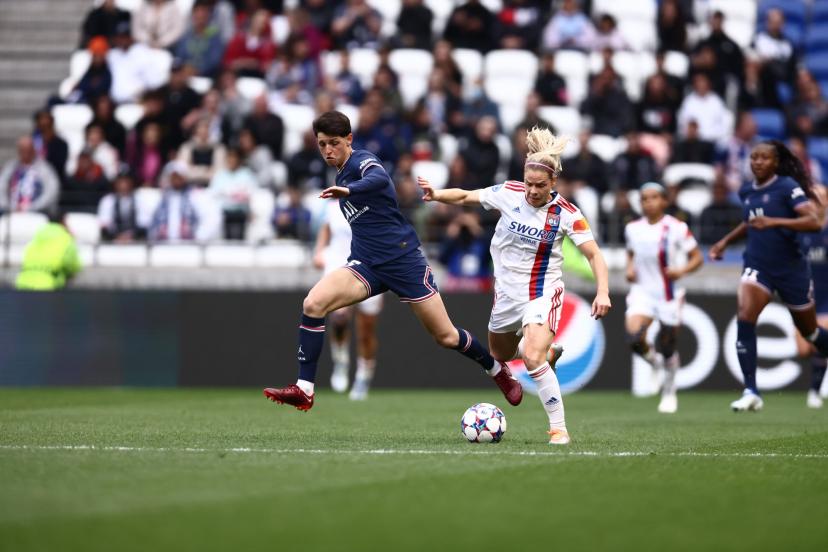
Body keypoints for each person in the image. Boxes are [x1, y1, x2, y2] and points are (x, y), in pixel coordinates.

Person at [263, 111, 519, 412]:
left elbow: (379, 177)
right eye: (322, 145)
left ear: (349, 140)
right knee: (313, 304)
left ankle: (496, 370)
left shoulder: (362, 162)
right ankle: (305, 389)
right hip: (367, 265)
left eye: (333, 143)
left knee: (446, 336)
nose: (328, 150)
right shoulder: (341, 173)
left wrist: (350, 190)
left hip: (403, 261)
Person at [418, 126, 612, 444]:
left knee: (531, 358)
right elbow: (467, 196)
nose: (533, 191)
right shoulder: (509, 192)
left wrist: (602, 291)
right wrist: (437, 195)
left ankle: (558, 428)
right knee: (502, 354)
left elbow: (594, 254)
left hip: (542, 291)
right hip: (506, 293)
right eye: (529, 184)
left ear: (553, 183)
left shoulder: (567, 214)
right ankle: (544, 354)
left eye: (540, 186)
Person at [709, 141, 828, 412]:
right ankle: (751, 390)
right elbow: (750, 221)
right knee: (745, 315)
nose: (758, 162)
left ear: (776, 162)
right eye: (754, 158)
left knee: (809, 334)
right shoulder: (747, 190)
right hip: (758, 264)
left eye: (764, 158)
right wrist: (725, 242)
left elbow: (814, 222)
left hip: (791, 269)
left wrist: (775, 222)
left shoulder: (787, 187)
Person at [624, 182, 703, 414]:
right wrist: (630, 268)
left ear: (664, 201)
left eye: (654, 198)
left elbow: (697, 257)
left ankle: (669, 392)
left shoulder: (677, 227)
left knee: (668, 347)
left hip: (669, 295)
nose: (648, 202)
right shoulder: (632, 228)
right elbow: (631, 252)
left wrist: (682, 271)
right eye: (644, 199)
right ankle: (654, 363)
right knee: (634, 337)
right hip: (642, 293)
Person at [312, 199, 384, 399]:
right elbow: (325, 229)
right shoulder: (333, 204)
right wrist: (318, 251)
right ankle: (341, 360)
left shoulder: (377, 200)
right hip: (338, 261)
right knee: (339, 318)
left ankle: (363, 375)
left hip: (370, 263)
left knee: (366, 331)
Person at [796, 184, 828, 408]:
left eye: (820, 198)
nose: (816, 202)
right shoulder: (800, 230)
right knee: (803, 349)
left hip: (827, 299)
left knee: (819, 344)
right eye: (812, 198)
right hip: (804, 299)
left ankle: (814, 393)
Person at [15, 211, 81, 291]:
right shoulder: (66, 239)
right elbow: (73, 266)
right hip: (46, 287)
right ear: (63, 221)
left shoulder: (38, 236)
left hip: (22, 283)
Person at [0, 136, 60, 215]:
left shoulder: (45, 169)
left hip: (37, 213)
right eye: (22, 150)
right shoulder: (11, 167)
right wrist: (8, 206)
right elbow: (1, 186)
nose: (25, 153)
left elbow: (51, 192)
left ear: (33, 150)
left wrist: (31, 207)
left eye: (28, 150)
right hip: (11, 212)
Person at [98, 169, 147, 242]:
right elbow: (104, 226)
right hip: (113, 241)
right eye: (120, 181)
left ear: (132, 183)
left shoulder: (140, 199)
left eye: (126, 181)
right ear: (115, 183)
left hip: (135, 241)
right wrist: (117, 237)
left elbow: (144, 225)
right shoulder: (107, 200)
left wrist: (130, 236)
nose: (123, 184)